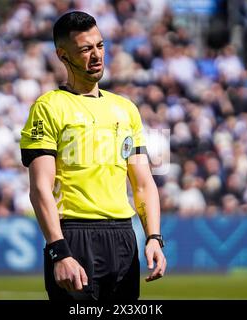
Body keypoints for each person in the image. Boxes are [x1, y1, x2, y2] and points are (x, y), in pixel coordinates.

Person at [19, 11, 166, 301]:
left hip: (123, 237)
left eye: (100, 45)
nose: (96, 55)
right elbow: (39, 190)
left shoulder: (126, 109)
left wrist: (154, 237)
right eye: (85, 49)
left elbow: (143, 184)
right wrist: (59, 251)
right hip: (74, 235)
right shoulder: (48, 107)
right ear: (63, 55)